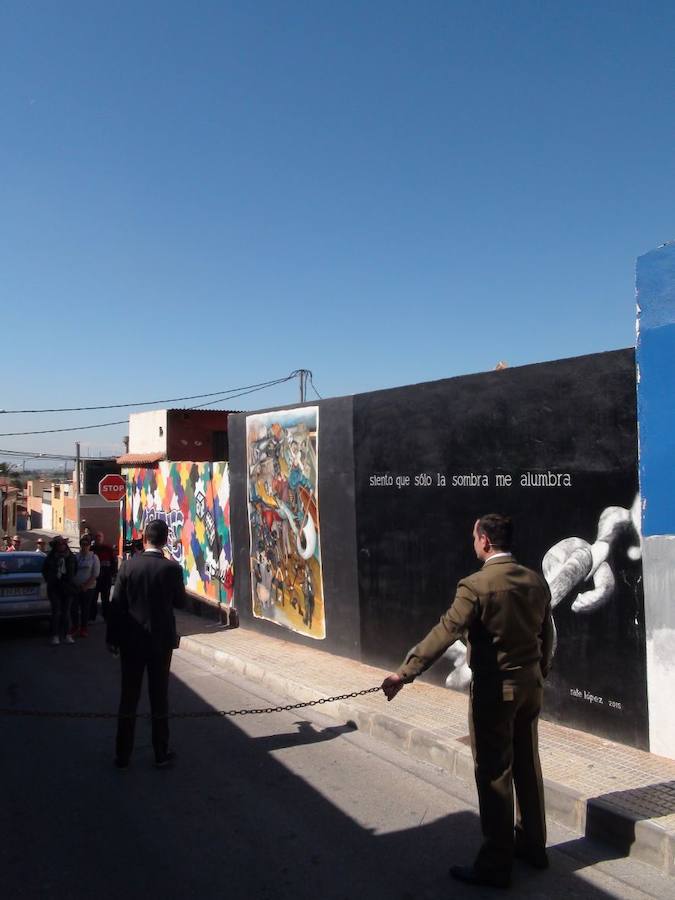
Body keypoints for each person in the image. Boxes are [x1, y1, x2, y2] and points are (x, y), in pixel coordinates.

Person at [381, 514, 554, 890]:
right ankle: (533, 847)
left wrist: (405, 673)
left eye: (475, 537)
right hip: (531, 686)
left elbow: (446, 630)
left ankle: (496, 863)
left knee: (495, 774)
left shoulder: (475, 586)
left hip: (497, 693)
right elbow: (547, 634)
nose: (473, 543)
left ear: (486, 542)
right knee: (527, 765)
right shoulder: (534, 580)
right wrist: (541, 671)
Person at [106, 519, 186, 769]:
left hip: (131, 642)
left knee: (128, 697)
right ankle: (161, 753)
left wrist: (112, 639)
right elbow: (181, 603)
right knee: (159, 696)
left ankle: (122, 755)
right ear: (165, 540)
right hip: (160, 642)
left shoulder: (128, 567)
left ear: (144, 538)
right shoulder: (172, 569)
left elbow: (116, 607)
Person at [42, 536, 77, 645]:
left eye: (63, 544)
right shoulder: (50, 557)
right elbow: (44, 571)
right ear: (56, 546)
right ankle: (55, 635)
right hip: (54, 588)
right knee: (56, 612)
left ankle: (67, 634)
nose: (61, 546)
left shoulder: (71, 557)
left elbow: (75, 570)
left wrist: (68, 579)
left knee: (66, 612)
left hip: (67, 588)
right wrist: (51, 579)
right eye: (59, 544)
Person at [72, 536, 100, 638]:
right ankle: (75, 627)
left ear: (89, 546)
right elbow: (72, 570)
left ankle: (84, 628)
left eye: (86, 545)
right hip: (76, 586)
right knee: (74, 608)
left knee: (85, 609)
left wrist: (86, 585)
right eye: (82, 544)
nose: (84, 547)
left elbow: (95, 574)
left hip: (88, 588)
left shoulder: (93, 557)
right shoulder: (76, 557)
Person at [92, 531, 118, 622]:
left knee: (105, 599)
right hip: (94, 578)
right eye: (97, 537)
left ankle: (106, 616)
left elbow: (114, 562)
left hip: (106, 578)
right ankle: (92, 617)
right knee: (93, 598)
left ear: (102, 538)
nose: (98, 538)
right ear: (95, 539)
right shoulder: (92, 549)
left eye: (100, 537)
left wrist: (113, 574)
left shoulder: (108, 549)